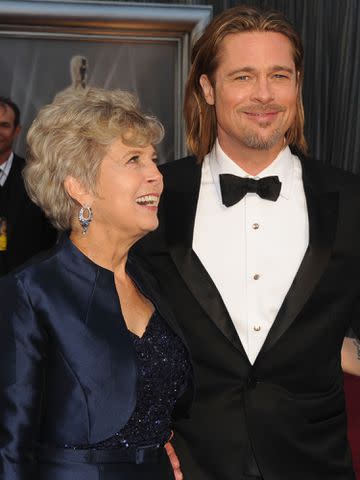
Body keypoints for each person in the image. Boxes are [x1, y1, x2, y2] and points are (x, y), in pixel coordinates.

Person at [135, 5, 360, 480]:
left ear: (298, 84)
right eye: (243, 76)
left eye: (279, 75)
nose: (264, 94)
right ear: (208, 88)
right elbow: (102, 334)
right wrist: (140, 429)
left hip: (315, 463)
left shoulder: (351, 200)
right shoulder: (153, 197)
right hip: (187, 467)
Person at [0, 87, 192, 480]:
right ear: (80, 187)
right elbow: (9, 450)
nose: (156, 174)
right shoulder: (30, 292)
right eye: (134, 160)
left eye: (153, 160)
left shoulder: (151, 280)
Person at [0, 97, 57, 275]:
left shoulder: (37, 178)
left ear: (17, 130)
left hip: (22, 286)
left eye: (4, 125)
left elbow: (48, 239)